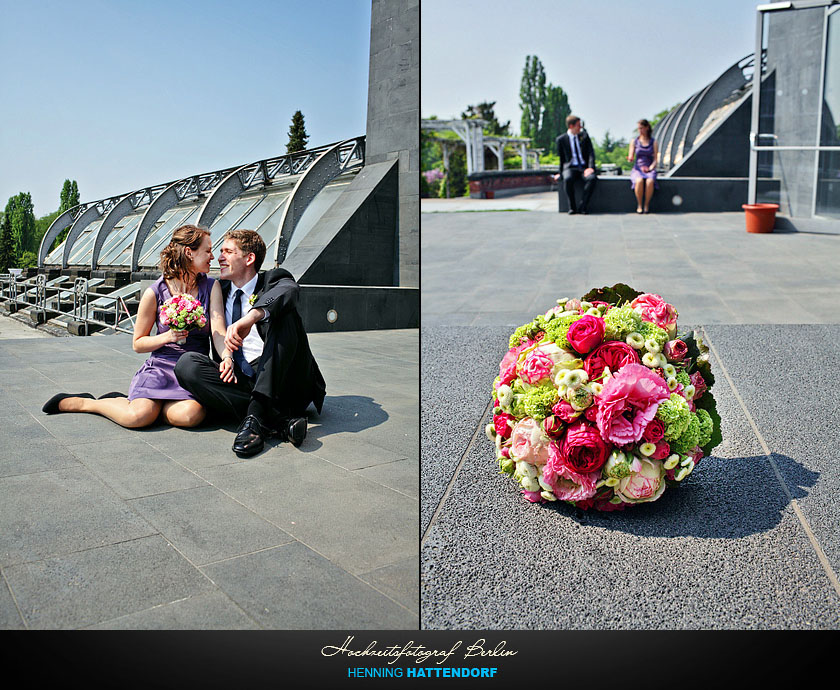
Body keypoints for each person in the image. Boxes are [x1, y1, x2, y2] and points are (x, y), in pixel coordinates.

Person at [42, 225, 227, 428]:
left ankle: (148, 407)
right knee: (136, 418)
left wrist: (226, 357)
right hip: (160, 368)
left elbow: (218, 332)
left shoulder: (211, 286)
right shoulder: (155, 292)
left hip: (191, 371)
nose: (213, 256)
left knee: (189, 417)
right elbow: (138, 344)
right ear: (189, 253)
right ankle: (89, 403)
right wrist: (167, 337)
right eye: (208, 250)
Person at [174, 229, 326, 457]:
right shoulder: (218, 290)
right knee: (187, 366)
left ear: (249, 258)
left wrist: (253, 316)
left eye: (227, 251)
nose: (219, 257)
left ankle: (255, 414)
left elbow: (290, 290)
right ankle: (275, 421)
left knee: (285, 315)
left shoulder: (273, 280)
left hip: (285, 380)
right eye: (219, 251)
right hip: (241, 379)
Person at [555, 114, 597, 214]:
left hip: (583, 167)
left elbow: (591, 153)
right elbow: (561, 159)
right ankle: (572, 207)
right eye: (578, 125)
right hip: (570, 167)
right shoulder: (561, 140)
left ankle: (583, 206)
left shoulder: (584, 136)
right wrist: (560, 173)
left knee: (592, 179)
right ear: (571, 126)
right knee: (568, 179)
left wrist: (590, 168)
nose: (580, 128)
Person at [628, 119, 659, 214]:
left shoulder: (653, 142)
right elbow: (631, 154)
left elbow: (656, 159)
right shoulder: (635, 141)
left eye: (641, 128)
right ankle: (639, 204)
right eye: (638, 129)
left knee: (650, 181)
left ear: (647, 128)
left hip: (649, 167)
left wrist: (650, 168)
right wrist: (630, 158)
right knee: (639, 181)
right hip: (638, 168)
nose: (640, 130)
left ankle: (646, 204)